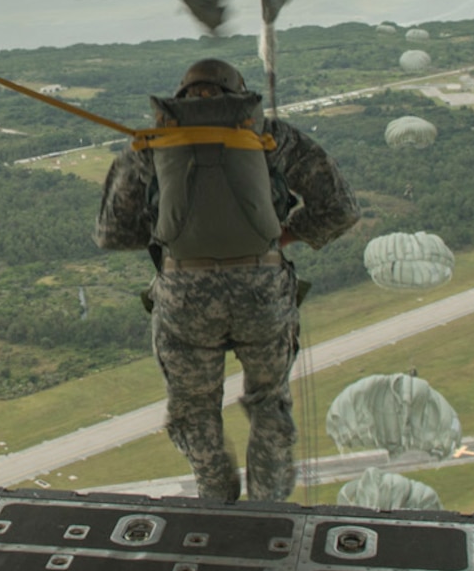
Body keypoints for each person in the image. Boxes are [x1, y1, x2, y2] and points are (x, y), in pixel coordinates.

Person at [95, 57, 356, 502]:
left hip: (185, 299)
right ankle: (268, 507)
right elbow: (340, 210)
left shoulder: (154, 142)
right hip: (264, 293)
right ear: (240, 95)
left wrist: (176, 238)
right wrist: (280, 237)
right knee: (269, 404)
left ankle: (215, 496)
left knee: (193, 411)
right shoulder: (273, 136)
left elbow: (112, 233)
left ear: (181, 97)